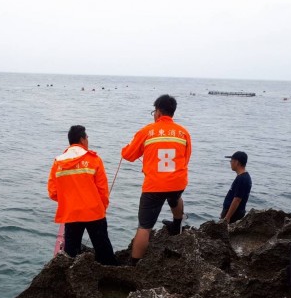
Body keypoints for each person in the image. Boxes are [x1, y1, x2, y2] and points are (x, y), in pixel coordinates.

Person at [121, 94, 192, 265]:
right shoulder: (184, 132)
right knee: (175, 197)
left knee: (144, 227)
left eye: (154, 111)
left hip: (154, 186)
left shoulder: (147, 131)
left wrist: (124, 149)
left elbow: (128, 155)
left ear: (158, 112)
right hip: (177, 182)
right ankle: (177, 225)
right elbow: (186, 158)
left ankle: (134, 264)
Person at [47, 125, 118, 265]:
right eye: (87, 137)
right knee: (103, 249)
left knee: (70, 252)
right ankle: (112, 275)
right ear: (82, 139)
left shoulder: (58, 162)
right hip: (94, 211)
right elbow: (102, 189)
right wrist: (102, 208)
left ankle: (68, 278)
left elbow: (53, 192)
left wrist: (69, 201)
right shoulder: (94, 160)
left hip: (71, 213)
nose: (88, 140)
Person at [221, 151, 252, 223]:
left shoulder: (242, 179)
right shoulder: (243, 177)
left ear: (237, 162)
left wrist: (227, 217)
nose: (230, 163)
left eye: (231, 161)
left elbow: (237, 199)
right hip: (233, 212)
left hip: (234, 214)